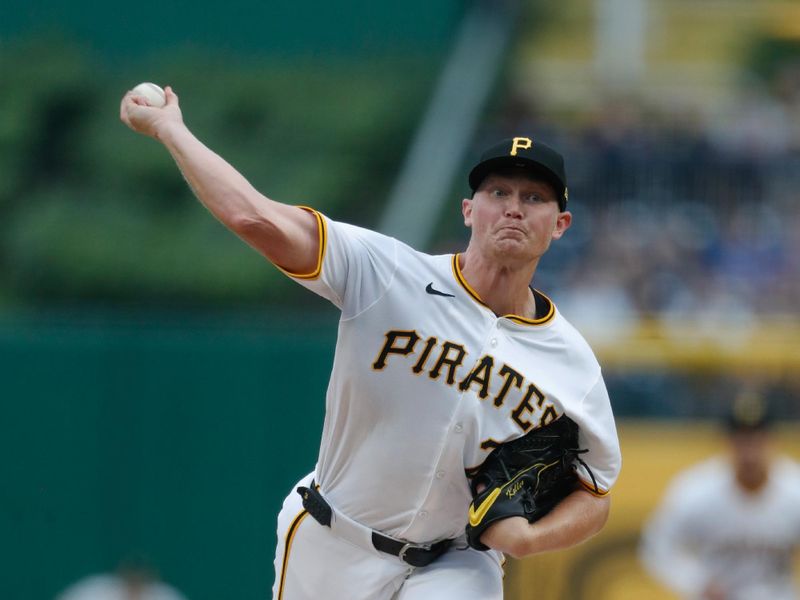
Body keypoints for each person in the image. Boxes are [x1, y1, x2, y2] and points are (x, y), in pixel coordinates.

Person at [120, 86, 622, 600]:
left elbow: (596, 491)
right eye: (499, 193)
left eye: (534, 198)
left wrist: (534, 538)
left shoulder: (571, 363)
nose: (514, 209)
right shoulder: (385, 272)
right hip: (333, 539)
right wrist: (170, 129)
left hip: (457, 561)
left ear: (560, 225)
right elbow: (254, 217)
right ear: (469, 210)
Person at [639, 393, 800, 600]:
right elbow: (657, 546)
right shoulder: (696, 489)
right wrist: (696, 581)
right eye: (742, 440)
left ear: (772, 440)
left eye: (757, 439)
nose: (749, 451)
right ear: (727, 441)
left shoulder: (793, 489)